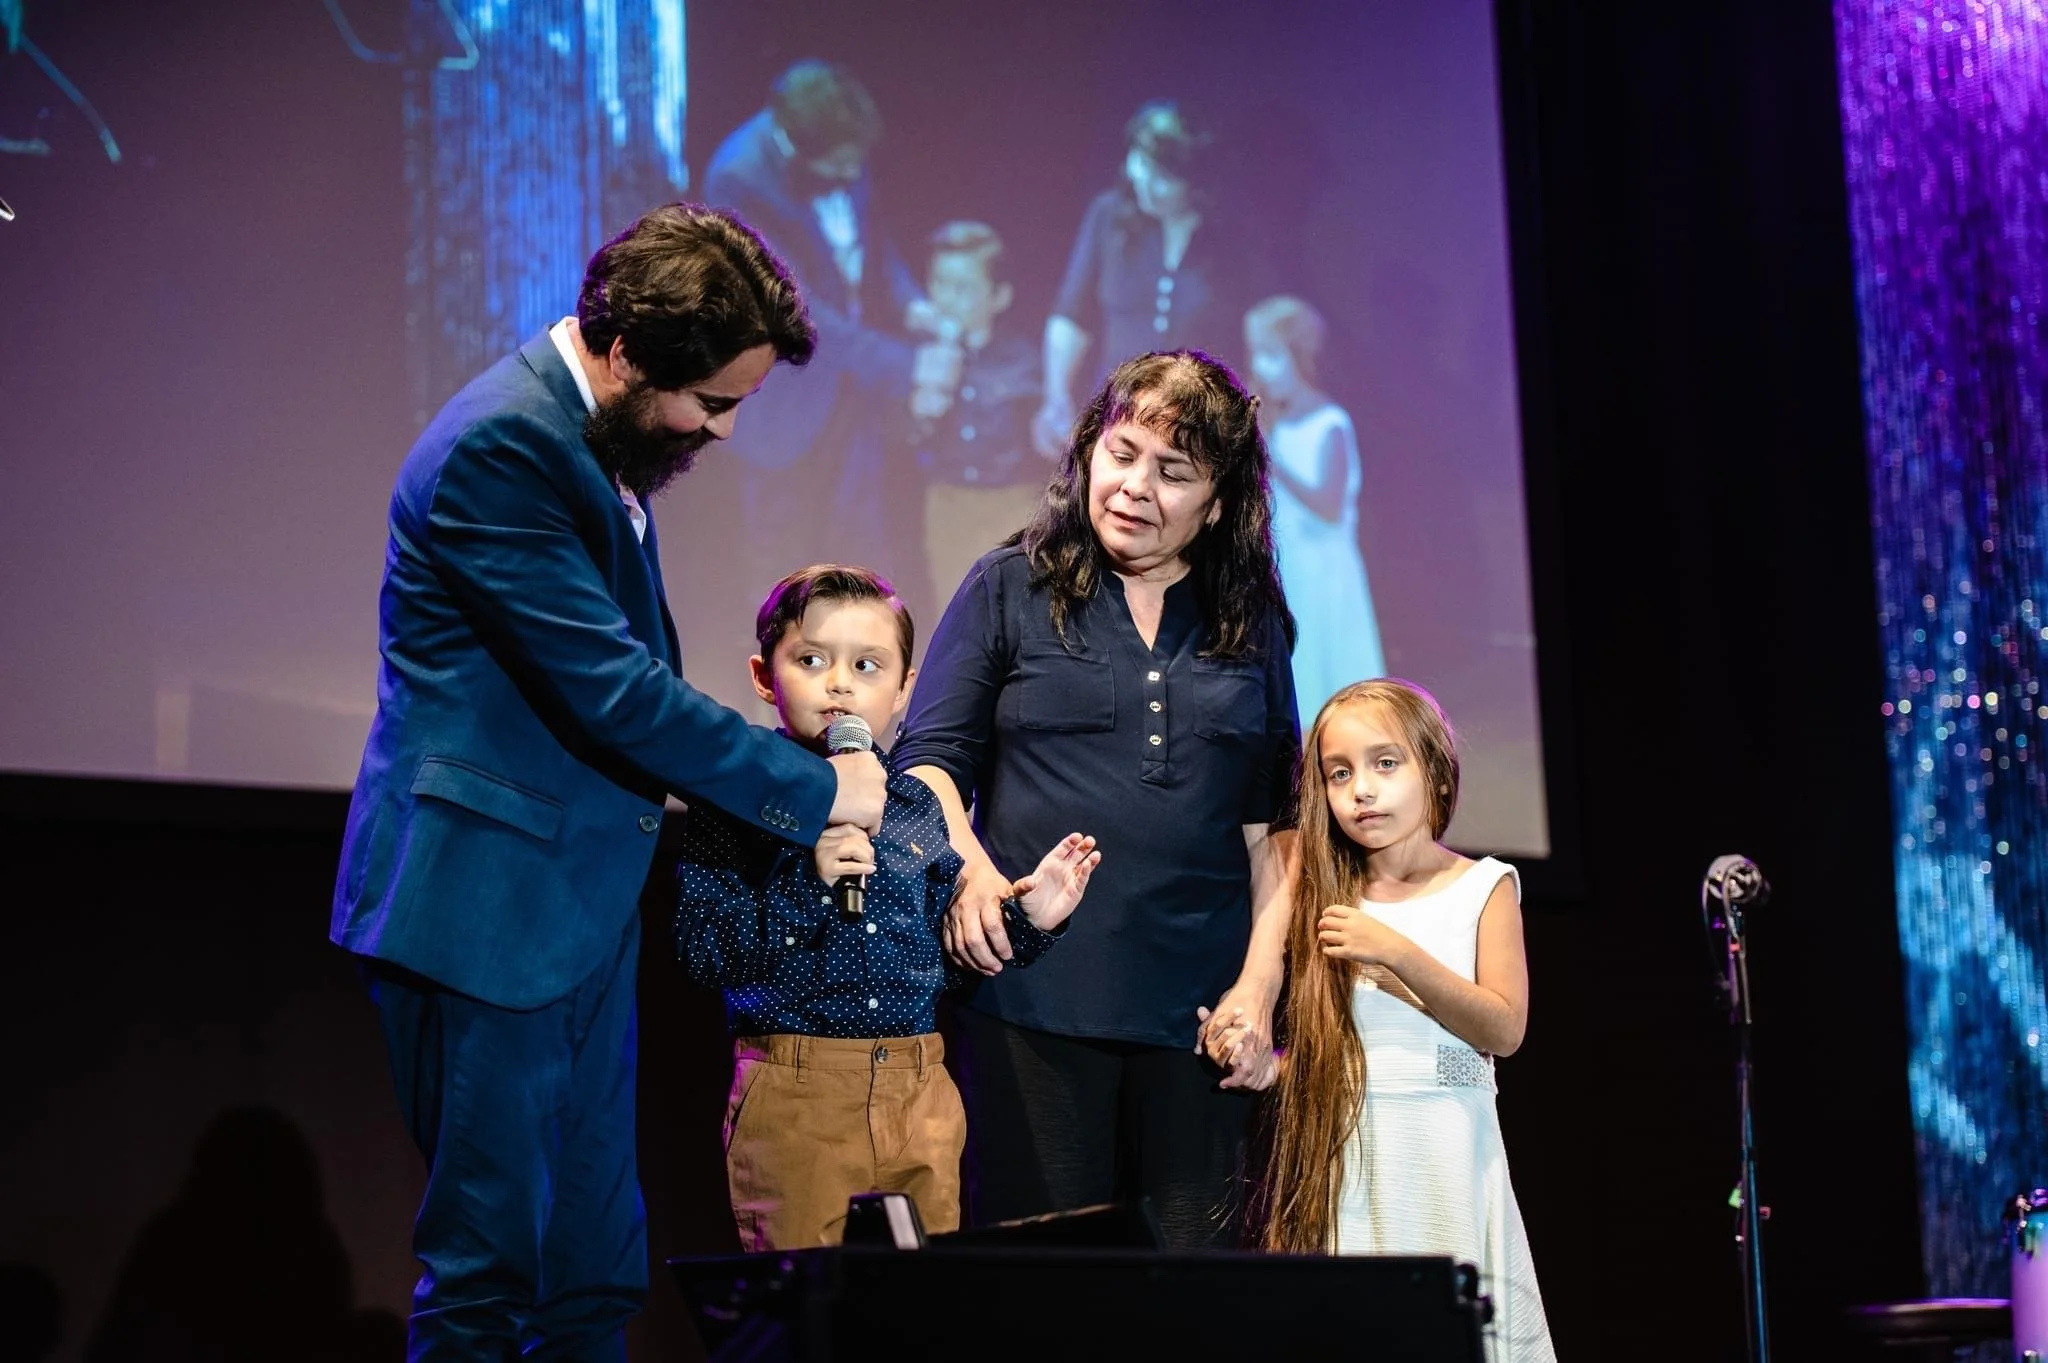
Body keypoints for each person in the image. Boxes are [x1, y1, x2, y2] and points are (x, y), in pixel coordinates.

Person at [329, 202, 889, 1361]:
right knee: (491, 1275)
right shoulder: (504, 447)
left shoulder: (591, 439)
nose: (721, 431)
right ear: (628, 351)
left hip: (567, 909)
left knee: (589, 1276)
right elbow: (616, 694)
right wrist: (819, 790)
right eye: (712, 402)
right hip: (484, 910)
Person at [895, 349, 1301, 1249]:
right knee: (1045, 1294)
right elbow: (927, 762)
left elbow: (1277, 828)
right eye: (1122, 454)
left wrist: (1258, 987)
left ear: (1219, 502)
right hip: (1031, 1007)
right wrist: (970, 875)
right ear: (1088, 450)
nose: (1134, 487)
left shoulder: (1252, 619)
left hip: (1201, 1025)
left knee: (1193, 1303)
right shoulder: (1009, 585)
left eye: (1174, 472)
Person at [675, 564, 1101, 1251]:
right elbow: (706, 954)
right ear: (764, 676)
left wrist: (1030, 921)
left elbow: (947, 962)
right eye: (811, 660)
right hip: (798, 1090)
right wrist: (809, 882)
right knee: (808, 1299)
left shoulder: (915, 805)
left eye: (867, 665)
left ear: (905, 688)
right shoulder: (739, 801)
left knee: (915, 1300)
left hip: (919, 1087)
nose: (840, 684)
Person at [1233, 678, 1555, 1362]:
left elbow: (1504, 1029)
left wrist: (1398, 953)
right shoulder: (1323, 898)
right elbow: (1337, 1058)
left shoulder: (1484, 886)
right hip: (1350, 1163)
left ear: (1433, 770)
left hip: (1446, 1152)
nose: (1362, 790)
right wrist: (1269, 1067)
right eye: (1339, 773)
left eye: (1385, 763)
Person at [700, 59, 960, 614]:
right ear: (799, 145)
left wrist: (914, 304)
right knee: (782, 567)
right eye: (842, 161)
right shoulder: (739, 178)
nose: (853, 171)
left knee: (862, 549)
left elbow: (872, 246)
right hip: (783, 400)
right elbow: (793, 304)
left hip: (851, 388)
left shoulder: (844, 154)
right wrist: (907, 365)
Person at [1030, 100, 1273, 460]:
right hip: (1118, 419)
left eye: (1163, 176)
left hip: (1200, 431)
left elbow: (1263, 335)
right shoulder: (1108, 216)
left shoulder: (1231, 238)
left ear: (1196, 182)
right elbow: (1072, 315)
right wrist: (1056, 397)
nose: (1144, 182)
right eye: (1140, 163)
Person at [1243, 295, 1385, 722]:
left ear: (1299, 356)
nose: (1262, 367)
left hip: (1326, 576)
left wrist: (1272, 456)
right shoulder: (1275, 424)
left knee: (1338, 685)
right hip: (1290, 571)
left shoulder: (1330, 424)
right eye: (1256, 354)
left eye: (1272, 355)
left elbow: (1328, 505)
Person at [909, 220, 1045, 601]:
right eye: (939, 283)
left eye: (963, 288)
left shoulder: (1024, 361)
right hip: (948, 501)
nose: (947, 299)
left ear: (999, 297)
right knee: (953, 608)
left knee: (1011, 608)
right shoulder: (916, 360)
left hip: (1011, 504)